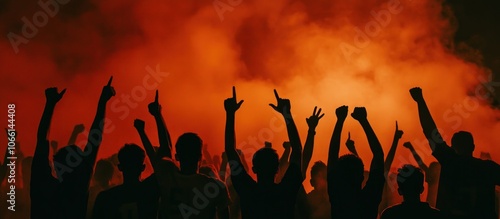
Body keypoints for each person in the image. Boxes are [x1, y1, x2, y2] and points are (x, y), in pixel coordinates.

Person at [135, 90, 230, 219]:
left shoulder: (167, 177)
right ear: (200, 156)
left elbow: (165, 149)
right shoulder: (216, 187)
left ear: (177, 156)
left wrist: (157, 116)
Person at [31, 78, 115, 219]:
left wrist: (50, 104)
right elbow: (95, 139)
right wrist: (103, 101)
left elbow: (42, 141)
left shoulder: (42, 185)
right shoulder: (79, 188)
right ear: (80, 166)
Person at [410, 87, 500, 219]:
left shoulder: (450, 161)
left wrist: (420, 101)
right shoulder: (488, 168)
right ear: (473, 147)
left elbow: (430, 132)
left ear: (452, 147)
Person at [225, 87, 304, 219]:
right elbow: (297, 150)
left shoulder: (248, 191)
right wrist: (286, 114)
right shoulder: (285, 191)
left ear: (254, 169)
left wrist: (230, 114)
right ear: (277, 169)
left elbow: (230, 150)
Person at [327, 106, 385, 219]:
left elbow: (332, 155)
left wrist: (339, 121)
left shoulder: (337, 196)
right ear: (362, 177)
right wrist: (363, 120)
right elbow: (378, 155)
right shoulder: (370, 198)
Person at [91, 144, 159, 219]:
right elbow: (162, 167)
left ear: (120, 167)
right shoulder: (150, 191)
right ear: (143, 167)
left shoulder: (105, 198)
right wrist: (142, 133)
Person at [402, 141, 441, 207]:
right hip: (433, 204)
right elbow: (420, 162)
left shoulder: (436, 177)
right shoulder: (437, 177)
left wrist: (411, 148)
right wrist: (411, 148)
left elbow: (420, 162)